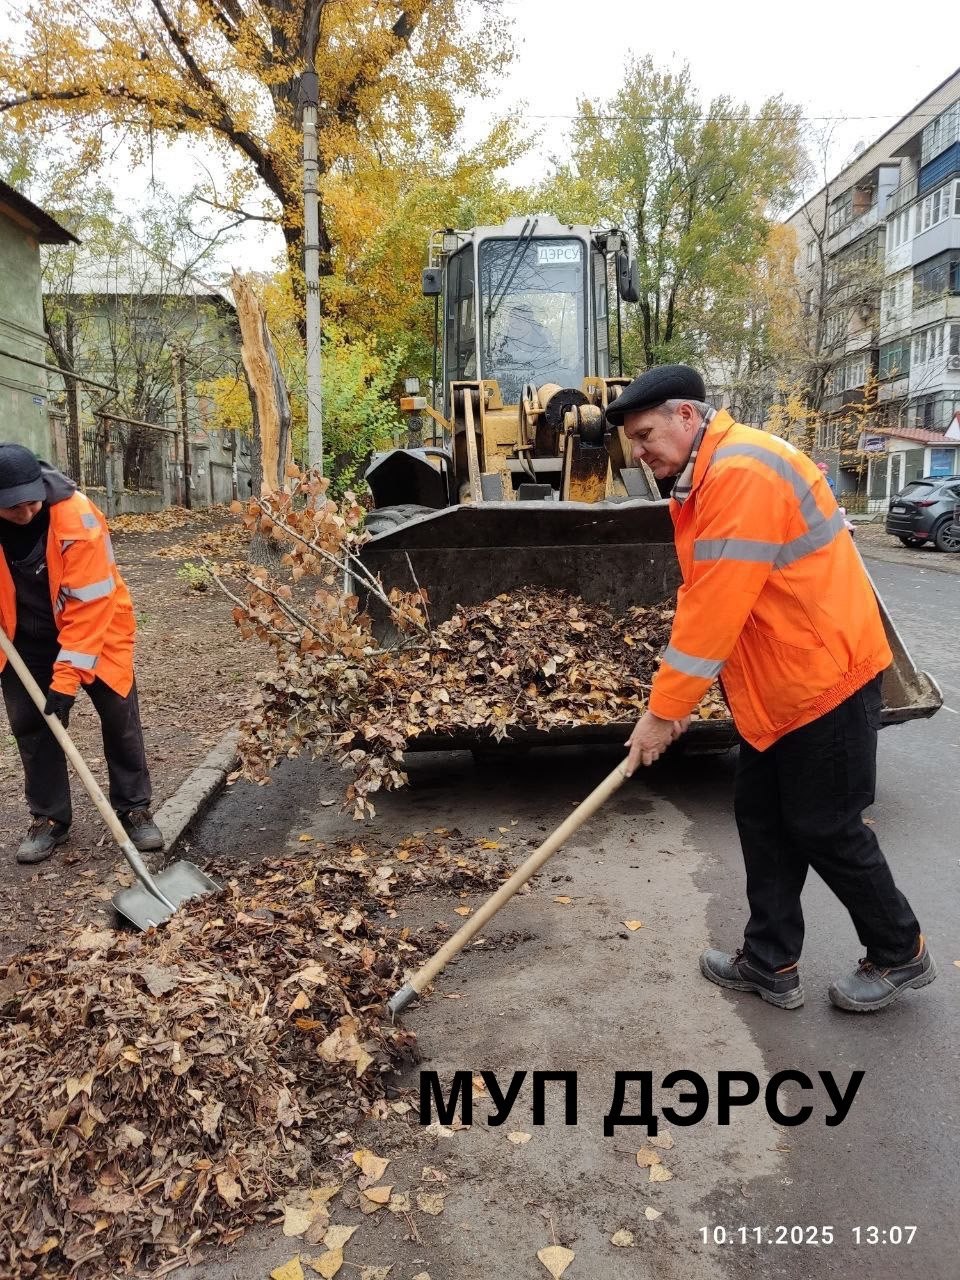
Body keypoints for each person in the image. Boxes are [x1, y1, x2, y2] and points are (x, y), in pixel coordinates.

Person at [605, 367, 934, 1014]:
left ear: (687, 417)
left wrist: (664, 711)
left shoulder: (740, 475)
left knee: (827, 826)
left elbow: (713, 611)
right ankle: (769, 960)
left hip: (824, 679)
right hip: (776, 685)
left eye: (645, 435)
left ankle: (901, 952)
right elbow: (706, 594)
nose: (638, 453)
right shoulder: (705, 476)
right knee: (763, 819)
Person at [0, 443, 163, 864]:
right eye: (12, 506)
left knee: (120, 716)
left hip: (98, 630)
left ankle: (134, 808)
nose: (26, 512)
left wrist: (66, 679)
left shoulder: (78, 516)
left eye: (31, 500)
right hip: (22, 640)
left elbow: (90, 607)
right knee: (35, 727)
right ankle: (49, 818)